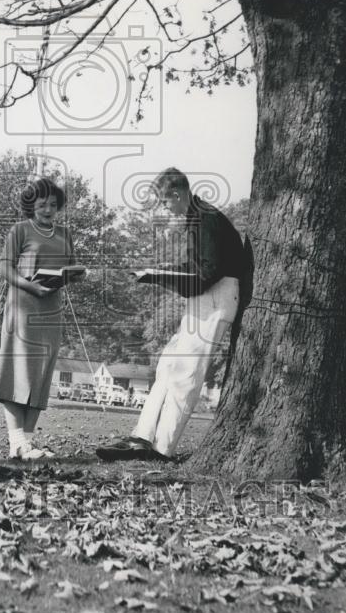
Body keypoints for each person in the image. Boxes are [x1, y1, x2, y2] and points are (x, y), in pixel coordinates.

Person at [97, 168, 244, 463]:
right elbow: (197, 266)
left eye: (164, 202)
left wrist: (159, 276)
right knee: (167, 366)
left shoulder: (207, 219)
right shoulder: (196, 218)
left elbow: (207, 274)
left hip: (217, 298)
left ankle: (162, 448)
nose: (164, 207)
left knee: (186, 374)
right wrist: (162, 270)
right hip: (207, 297)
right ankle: (142, 438)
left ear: (177, 195)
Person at [0, 177, 82, 460]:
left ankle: (25, 445)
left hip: (51, 307)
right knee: (18, 373)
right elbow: (5, 268)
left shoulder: (65, 233)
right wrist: (30, 285)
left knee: (41, 374)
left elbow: (69, 266)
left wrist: (73, 275)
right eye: (42, 204)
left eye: (53, 205)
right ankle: (16, 441)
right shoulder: (20, 230)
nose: (48, 210)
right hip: (24, 305)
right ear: (31, 205)